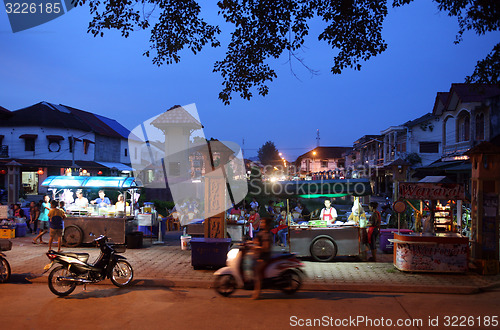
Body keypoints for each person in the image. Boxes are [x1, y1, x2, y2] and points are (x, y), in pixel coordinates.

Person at [251, 217, 272, 300]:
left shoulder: (267, 235)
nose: (261, 224)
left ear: (266, 225)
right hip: (259, 255)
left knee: (256, 272)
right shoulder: (261, 233)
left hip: (264, 257)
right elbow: (256, 240)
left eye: (263, 222)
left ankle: (257, 292)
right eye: (261, 222)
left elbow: (266, 248)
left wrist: (257, 248)